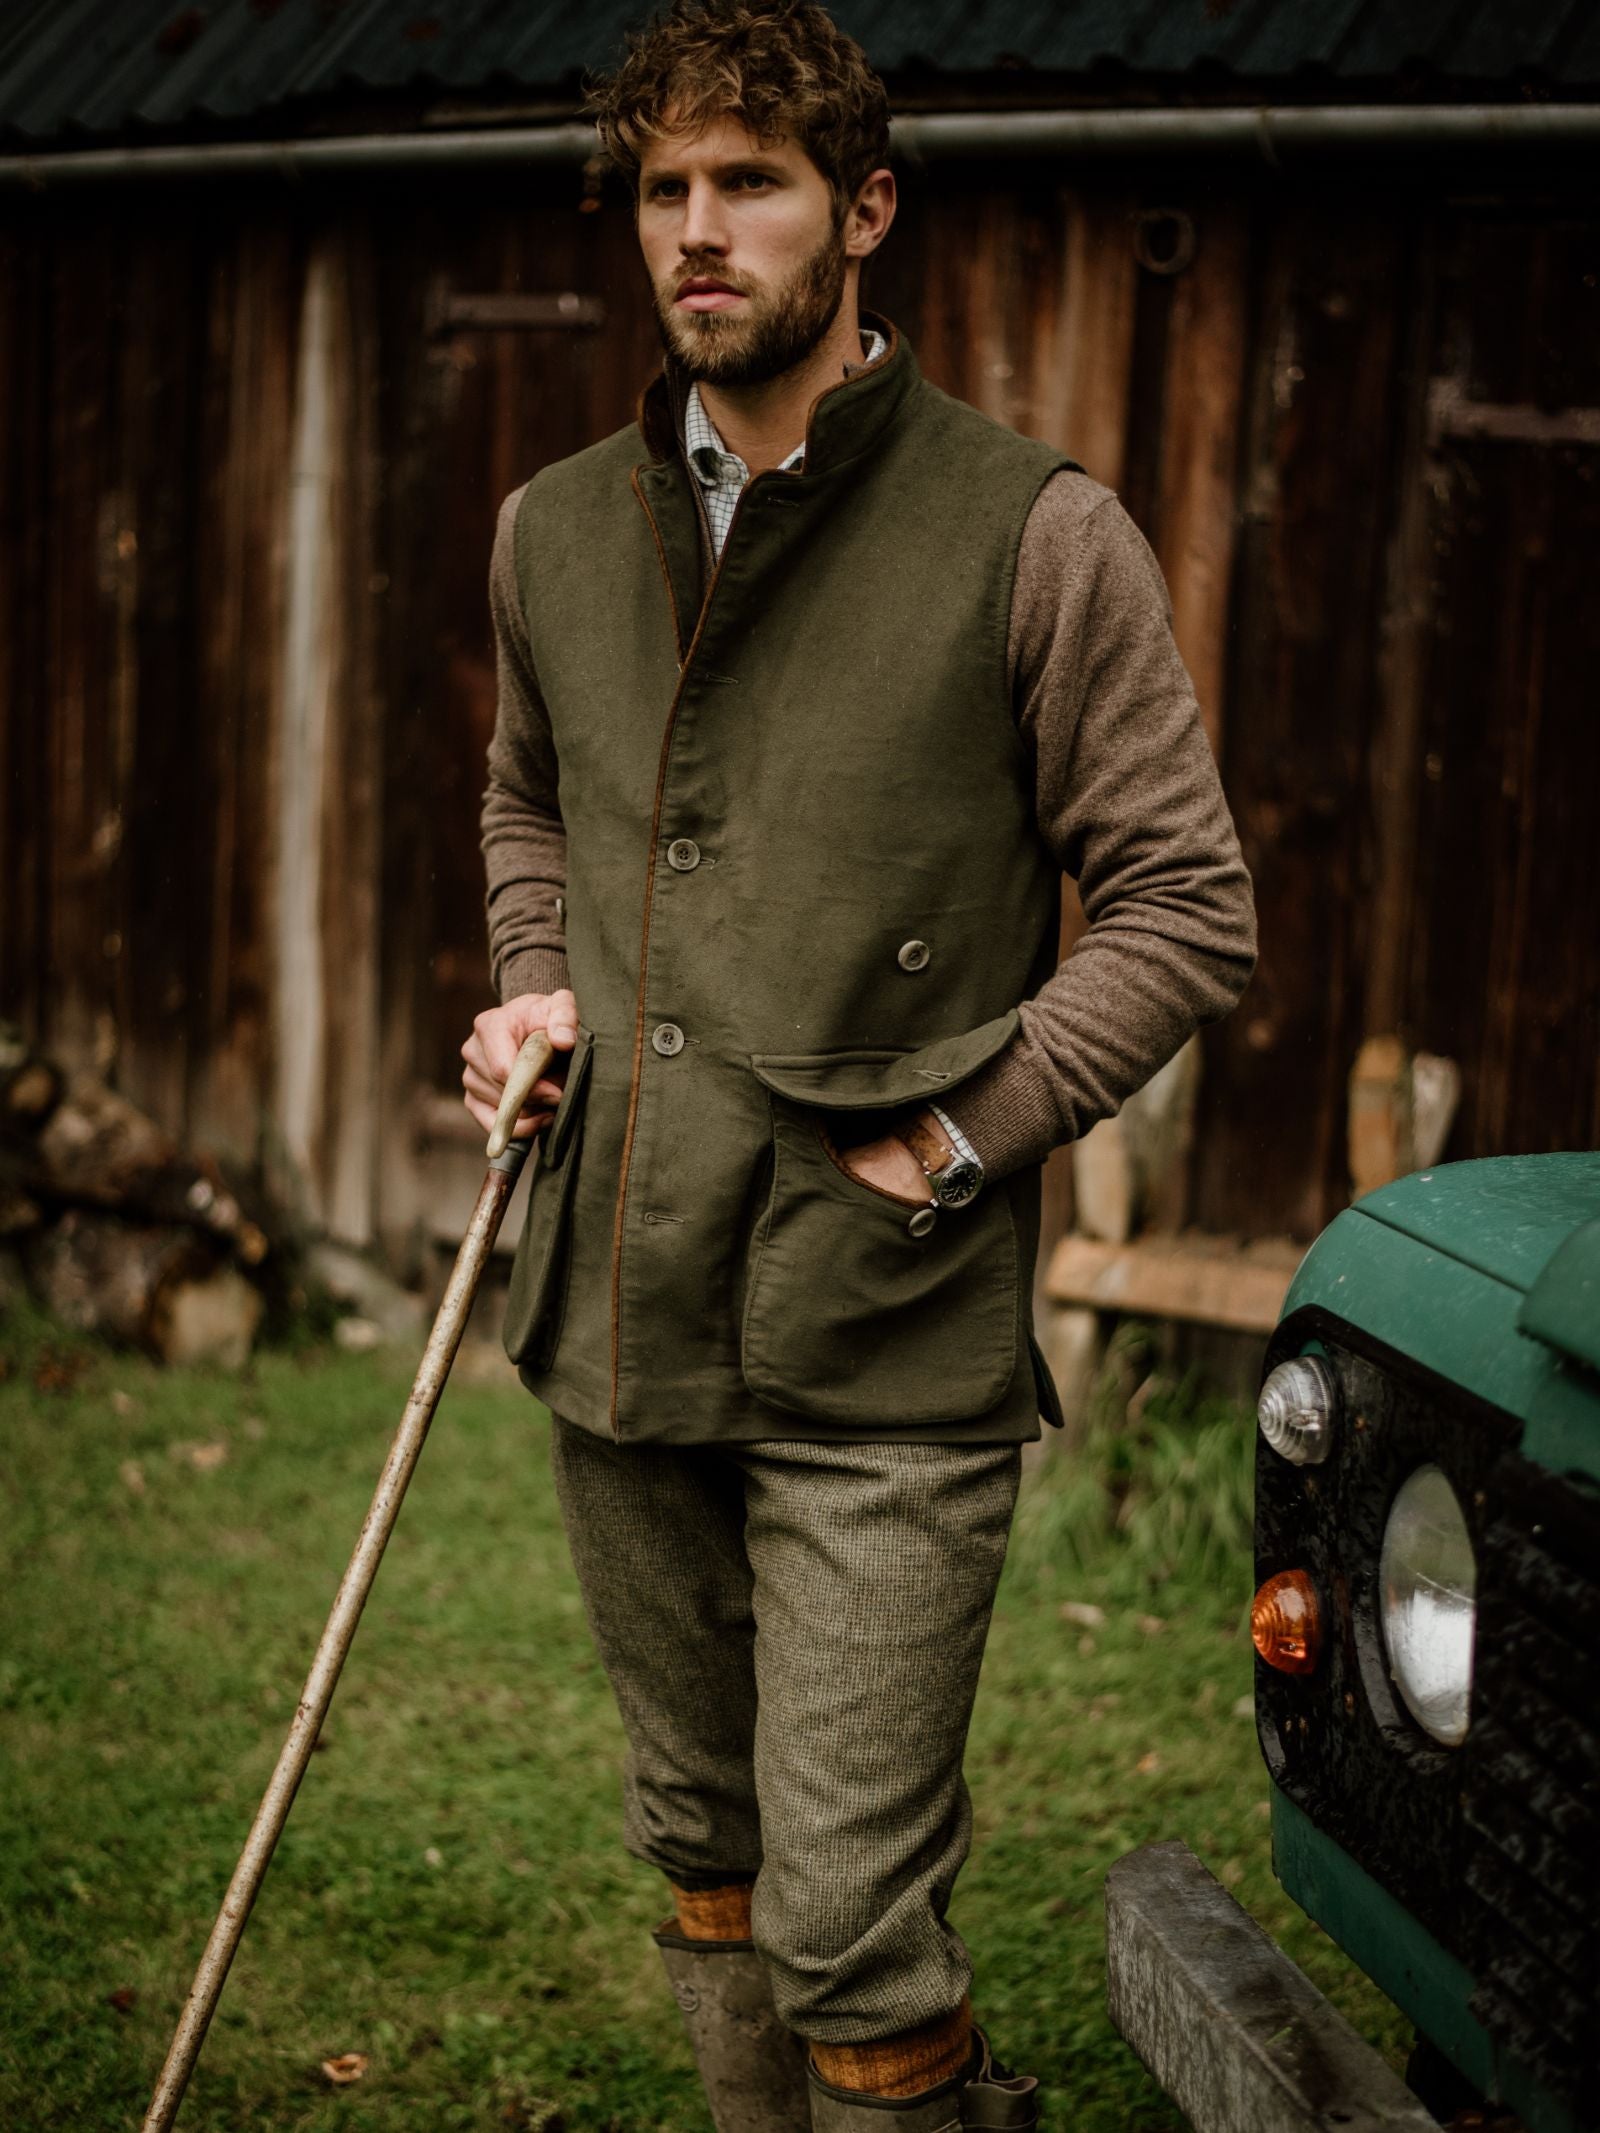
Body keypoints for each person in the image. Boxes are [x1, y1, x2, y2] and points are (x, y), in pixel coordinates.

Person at [461, 4, 1257, 2124]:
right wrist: (535, 986)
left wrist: (963, 1137)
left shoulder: (1033, 532)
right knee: (701, 1841)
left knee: (847, 1925)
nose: (697, 231)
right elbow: (527, 802)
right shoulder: (554, 530)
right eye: (663, 188)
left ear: (865, 209)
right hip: (614, 1307)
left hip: (879, 1332)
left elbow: (1186, 904)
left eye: (752, 182)